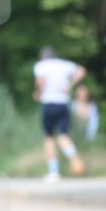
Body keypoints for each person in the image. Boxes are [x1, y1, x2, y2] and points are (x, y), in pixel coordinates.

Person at [33, 46, 86, 182]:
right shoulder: (64, 64)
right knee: (63, 135)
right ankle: (74, 157)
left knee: (49, 137)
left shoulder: (41, 66)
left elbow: (41, 81)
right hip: (63, 103)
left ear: (43, 56)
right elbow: (81, 71)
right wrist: (69, 85)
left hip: (49, 103)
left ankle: (53, 171)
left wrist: (38, 93)